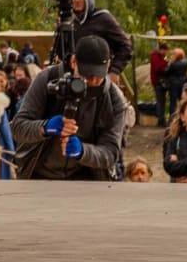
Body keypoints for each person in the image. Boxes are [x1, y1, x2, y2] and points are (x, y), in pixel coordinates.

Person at [9, 34, 129, 181]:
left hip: (86, 179)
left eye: (98, 76)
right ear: (73, 62)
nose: (92, 81)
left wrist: (83, 152)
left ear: (108, 65)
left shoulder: (114, 99)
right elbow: (18, 128)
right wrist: (44, 127)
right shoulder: (46, 79)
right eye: (87, 75)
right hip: (39, 174)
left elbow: (110, 154)